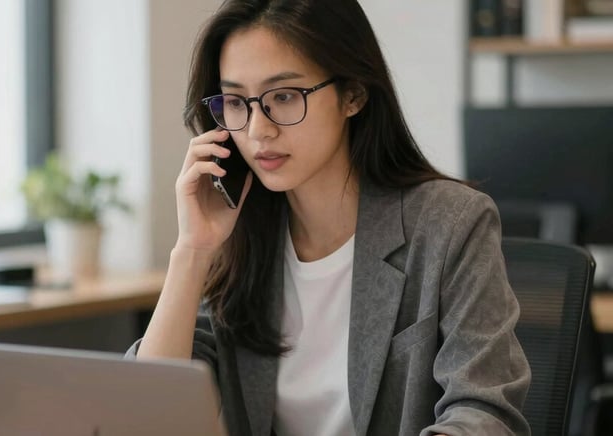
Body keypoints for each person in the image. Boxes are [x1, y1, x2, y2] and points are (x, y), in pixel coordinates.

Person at [128, 1, 531, 435]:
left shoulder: (449, 223)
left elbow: (484, 414)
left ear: (353, 94)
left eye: (283, 97)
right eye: (235, 102)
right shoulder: (240, 237)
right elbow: (149, 416)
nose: (257, 130)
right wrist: (192, 250)